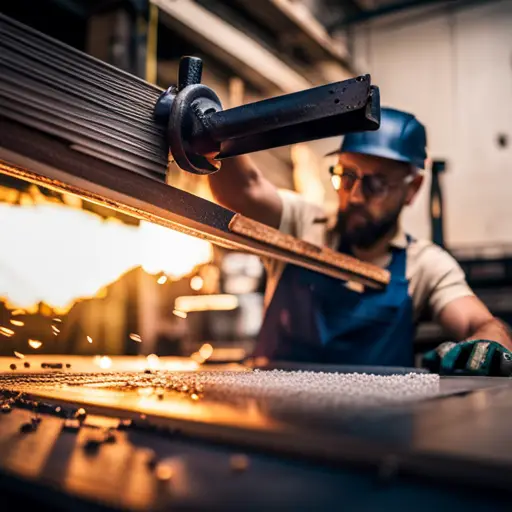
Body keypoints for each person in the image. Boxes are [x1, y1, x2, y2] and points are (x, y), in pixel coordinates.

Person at [208, 107, 512, 375]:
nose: (354, 196)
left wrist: (488, 344)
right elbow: (244, 190)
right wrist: (210, 131)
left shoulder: (426, 265)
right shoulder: (300, 224)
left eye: (376, 185)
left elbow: (481, 325)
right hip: (270, 422)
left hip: (375, 436)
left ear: (413, 188)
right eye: (346, 176)